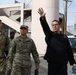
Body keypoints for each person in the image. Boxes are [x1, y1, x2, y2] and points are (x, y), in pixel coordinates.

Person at [38, 8, 76, 75]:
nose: (54, 26)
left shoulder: (64, 37)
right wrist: (43, 17)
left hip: (63, 63)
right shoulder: (50, 35)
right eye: (53, 25)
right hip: (52, 62)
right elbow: (45, 27)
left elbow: (69, 50)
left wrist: (73, 62)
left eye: (56, 24)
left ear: (59, 25)